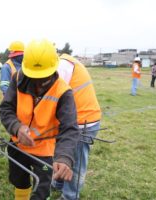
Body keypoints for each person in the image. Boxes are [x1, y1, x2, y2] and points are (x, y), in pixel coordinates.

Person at [0, 39, 80, 200]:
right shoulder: (17, 79)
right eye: (33, 76)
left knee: (41, 192)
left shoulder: (63, 92)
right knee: (19, 182)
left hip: (44, 151)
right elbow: (5, 109)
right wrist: (16, 127)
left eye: (43, 77)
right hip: (18, 145)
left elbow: (69, 129)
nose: (38, 82)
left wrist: (64, 157)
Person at [52, 54, 102, 200]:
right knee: (61, 154)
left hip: (83, 122)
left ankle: (70, 196)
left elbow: (54, 95)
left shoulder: (63, 66)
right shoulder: (64, 63)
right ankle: (59, 184)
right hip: (72, 119)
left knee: (76, 162)